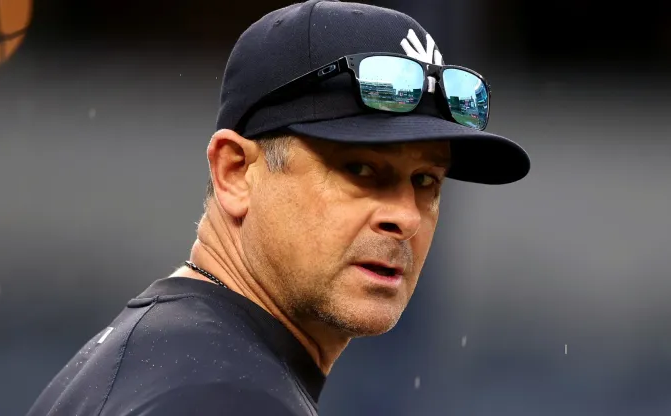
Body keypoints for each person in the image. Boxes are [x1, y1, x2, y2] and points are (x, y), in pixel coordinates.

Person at [26, 0, 530, 415]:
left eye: (425, 180)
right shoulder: (221, 396)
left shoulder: (173, 361)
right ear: (235, 173)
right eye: (359, 170)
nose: (405, 216)